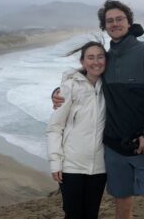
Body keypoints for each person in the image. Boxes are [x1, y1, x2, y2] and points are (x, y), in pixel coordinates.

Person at [53, 0, 144, 219]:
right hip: (114, 149)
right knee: (122, 205)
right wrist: (57, 93)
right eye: (109, 21)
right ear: (104, 26)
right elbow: (84, 76)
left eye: (119, 19)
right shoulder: (107, 59)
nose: (115, 23)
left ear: (129, 22)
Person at [47, 41, 108, 219]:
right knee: (73, 215)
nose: (96, 62)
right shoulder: (70, 87)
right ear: (82, 62)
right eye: (90, 57)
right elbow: (54, 127)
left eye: (100, 57)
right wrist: (55, 162)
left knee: (91, 215)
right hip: (71, 167)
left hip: (99, 169)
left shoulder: (111, 88)